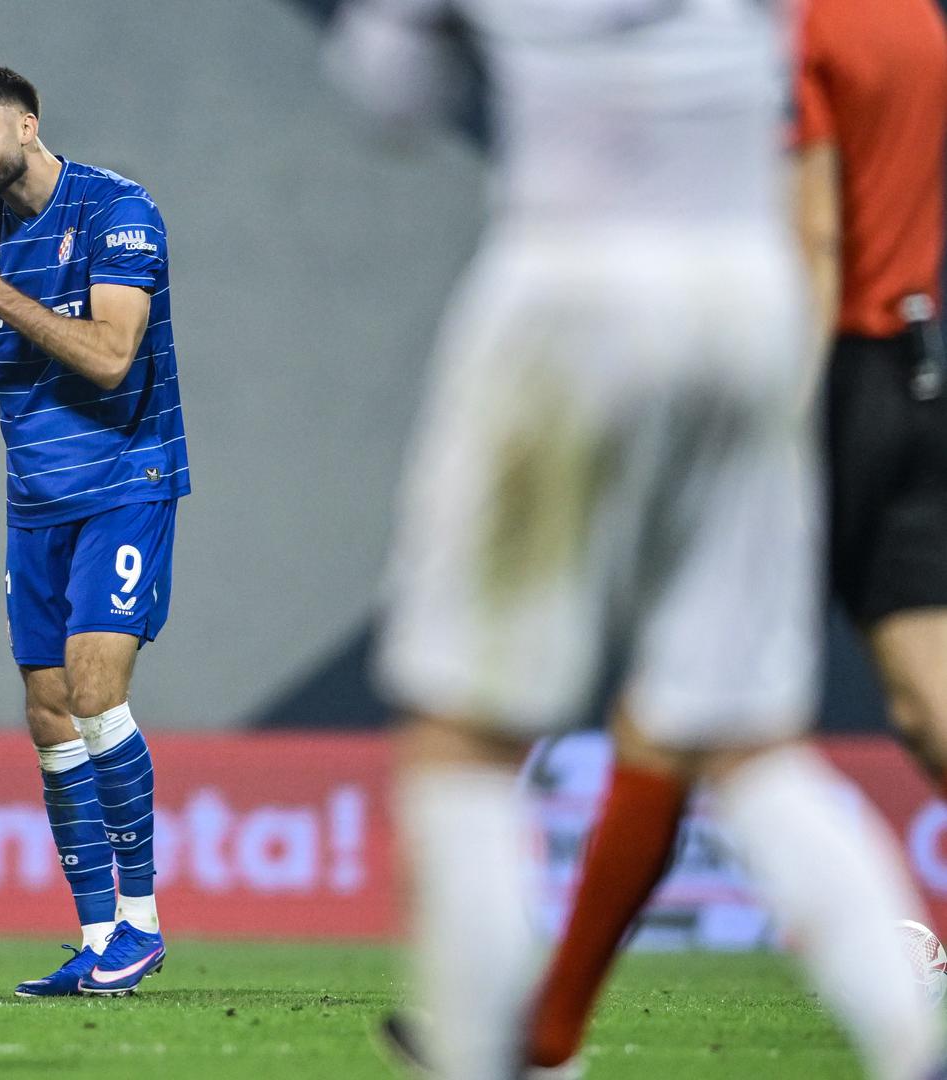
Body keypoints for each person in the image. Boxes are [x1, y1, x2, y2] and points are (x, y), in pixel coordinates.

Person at [323, 0, 946, 1077]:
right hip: (748, 305)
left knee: (464, 739)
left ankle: (489, 1059)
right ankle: (906, 1043)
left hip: (571, 290)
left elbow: (389, 96)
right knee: (750, 741)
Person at [524, 0, 947, 1070]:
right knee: (929, 701)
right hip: (911, 372)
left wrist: (768, 435)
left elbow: (812, 236)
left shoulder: (792, 28)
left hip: (820, 380)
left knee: (667, 714)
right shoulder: (910, 19)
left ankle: (544, 1036)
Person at [0, 65, 188, 997]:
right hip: (35, 503)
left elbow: (111, 357)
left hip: (124, 482)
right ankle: (97, 936)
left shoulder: (116, 211)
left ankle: (141, 925)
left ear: (26, 124)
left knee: (97, 690)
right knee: (50, 712)